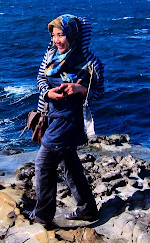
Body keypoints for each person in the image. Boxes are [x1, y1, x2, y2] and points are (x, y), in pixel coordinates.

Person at [30, 14, 105, 227]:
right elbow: (41, 78)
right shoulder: (51, 54)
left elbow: (99, 92)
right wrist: (48, 93)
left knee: (43, 164)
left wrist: (81, 89)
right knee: (69, 164)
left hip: (70, 120)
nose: (56, 40)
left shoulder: (91, 63)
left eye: (61, 35)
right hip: (51, 116)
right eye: (54, 35)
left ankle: (42, 215)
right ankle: (87, 209)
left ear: (74, 35)